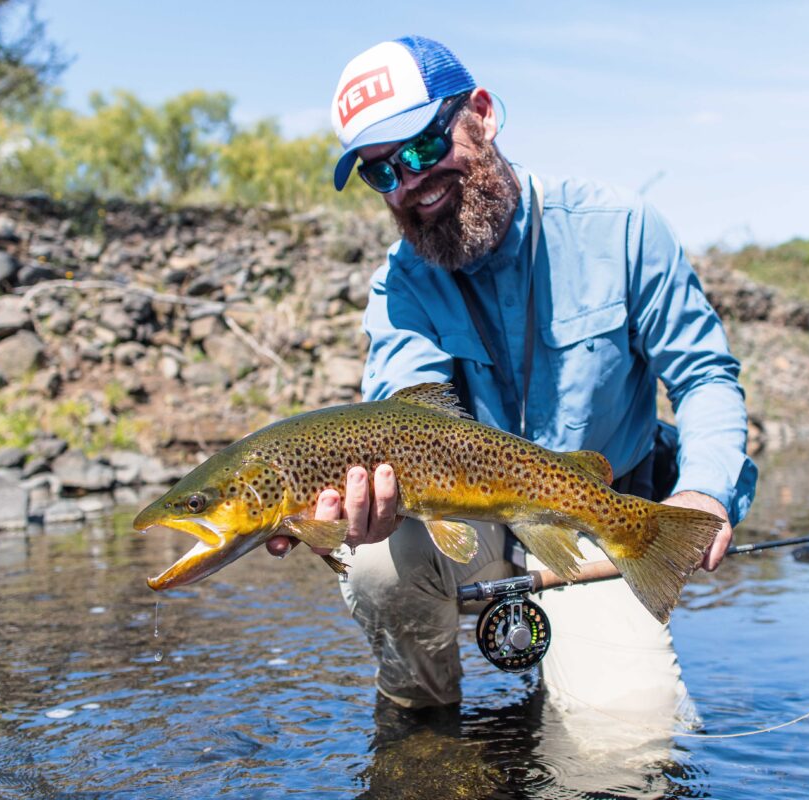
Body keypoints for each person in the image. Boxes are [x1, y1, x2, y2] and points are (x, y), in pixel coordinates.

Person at [267, 35, 757, 714]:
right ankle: (422, 719)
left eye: (421, 148)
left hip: (594, 513)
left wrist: (704, 491)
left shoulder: (622, 229)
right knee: (377, 562)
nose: (410, 184)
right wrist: (349, 513)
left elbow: (703, 374)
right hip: (467, 522)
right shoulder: (401, 286)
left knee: (629, 748)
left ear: (483, 113)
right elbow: (396, 417)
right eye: (383, 173)